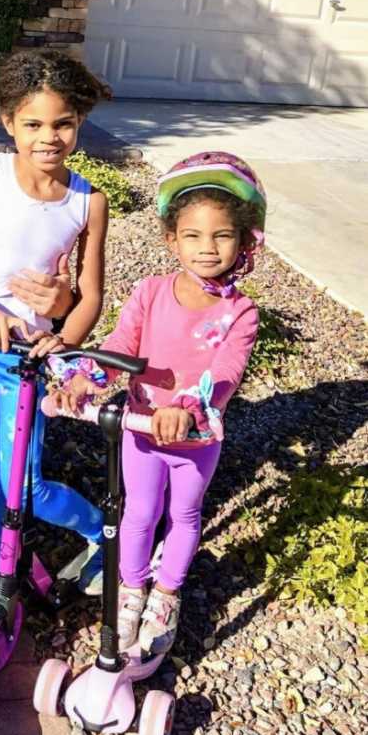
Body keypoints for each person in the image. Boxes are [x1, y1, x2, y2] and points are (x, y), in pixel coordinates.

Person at [53, 151, 263, 655]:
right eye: (192, 236)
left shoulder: (241, 312)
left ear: (243, 242)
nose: (207, 248)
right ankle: (130, 590)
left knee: (186, 514)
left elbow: (227, 374)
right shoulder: (150, 292)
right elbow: (123, 346)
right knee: (139, 511)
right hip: (140, 426)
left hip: (195, 437)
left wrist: (188, 409)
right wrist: (86, 379)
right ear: (172, 241)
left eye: (221, 236)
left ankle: (166, 593)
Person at [0, 48, 111, 581]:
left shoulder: (88, 202)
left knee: (25, 484)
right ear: (9, 122)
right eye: (33, 123)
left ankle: (102, 530)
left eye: (63, 124)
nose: (48, 137)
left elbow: (91, 295)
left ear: (79, 122)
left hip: (25, 360)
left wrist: (64, 339)